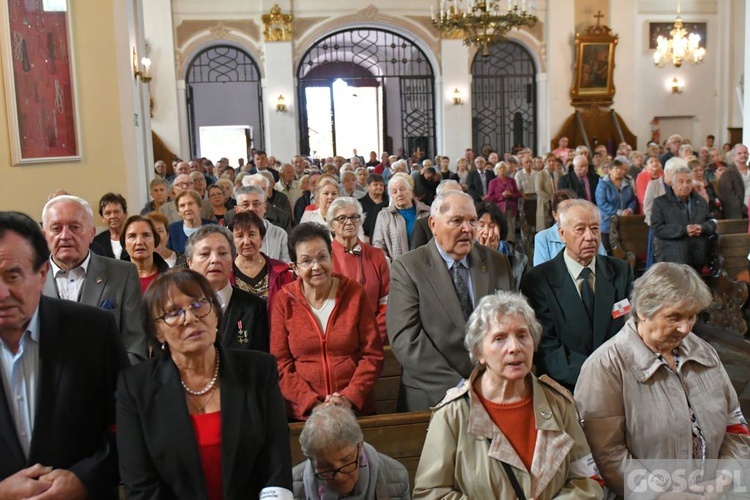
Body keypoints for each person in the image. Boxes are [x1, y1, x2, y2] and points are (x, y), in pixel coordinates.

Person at [575, 263, 750, 498]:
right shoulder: (605, 366)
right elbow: (606, 453)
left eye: (692, 316)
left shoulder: (703, 352)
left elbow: (734, 425)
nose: (685, 328)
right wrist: (661, 495)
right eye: (674, 317)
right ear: (643, 312)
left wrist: (725, 478)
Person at [116, 269, 293, 499]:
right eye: (173, 312)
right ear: (157, 331)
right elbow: (141, 487)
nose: (190, 318)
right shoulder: (135, 388)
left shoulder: (259, 371)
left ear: (215, 315)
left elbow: (276, 465)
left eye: (198, 305)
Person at [413, 291, 603, 499]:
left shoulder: (558, 404)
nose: (515, 348)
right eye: (499, 338)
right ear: (478, 352)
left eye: (522, 335)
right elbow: (430, 493)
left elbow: (587, 481)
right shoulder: (453, 414)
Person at [0, 211, 130, 500]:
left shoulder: (93, 330)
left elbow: (128, 423)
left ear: (42, 273)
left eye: (13, 275)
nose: (1, 292)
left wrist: (84, 479)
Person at [387, 191, 514, 411]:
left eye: (472, 221)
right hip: (432, 395)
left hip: (493, 391)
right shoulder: (408, 268)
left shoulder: (497, 262)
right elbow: (406, 340)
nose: (468, 229)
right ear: (434, 224)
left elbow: (510, 324)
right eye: (457, 221)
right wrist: (457, 388)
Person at [271, 223, 384, 421]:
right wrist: (313, 404)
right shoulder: (284, 300)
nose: (316, 267)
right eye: (306, 261)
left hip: (354, 410)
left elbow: (372, 354)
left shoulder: (354, 293)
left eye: (322, 257)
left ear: (332, 257)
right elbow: (280, 364)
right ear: (295, 268)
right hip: (305, 415)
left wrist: (349, 398)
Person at [520, 199, 633, 390]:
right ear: (562, 234)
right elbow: (547, 347)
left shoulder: (621, 271)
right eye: (580, 230)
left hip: (622, 378)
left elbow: (633, 328)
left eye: (595, 228)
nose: (590, 237)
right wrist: (598, 375)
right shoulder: (538, 281)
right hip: (567, 386)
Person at [42, 195, 148, 364]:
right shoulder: (30, 279)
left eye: (75, 227)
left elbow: (135, 347)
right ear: (45, 235)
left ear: (91, 234)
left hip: (109, 386)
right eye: (56, 228)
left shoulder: (123, 274)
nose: (65, 236)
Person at [293, 405, 410, 500]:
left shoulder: (396, 476)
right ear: (312, 460)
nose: (339, 477)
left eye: (346, 460)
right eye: (325, 466)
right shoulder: (291, 487)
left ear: (360, 446)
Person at [186, 225, 269, 352]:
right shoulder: (181, 309)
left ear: (232, 261)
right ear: (190, 263)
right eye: (205, 254)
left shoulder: (255, 308)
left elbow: (260, 363)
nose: (215, 260)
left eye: (223, 253)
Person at [328, 197, 390, 343]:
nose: (349, 222)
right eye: (342, 218)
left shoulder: (377, 255)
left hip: (375, 338)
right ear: (331, 225)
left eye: (354, 217)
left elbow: (387, 301)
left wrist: (373, 336)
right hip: (337, 340)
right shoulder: (324, 258)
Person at [652, 165, 717, 271]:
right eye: (681, 182)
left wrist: (703, 227)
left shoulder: (700, 201)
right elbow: (657, 228)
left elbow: (711, 221)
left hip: (697, 255)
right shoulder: (661, 203)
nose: (685, 185)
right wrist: (683, 230)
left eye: (688, 181)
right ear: (672, 185)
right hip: (672, 258)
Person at [230, 211, 294, 308]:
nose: (247, 242)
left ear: (261, 238)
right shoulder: (226, 273)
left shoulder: (281, 271)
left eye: (252, 234)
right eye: (239, 236)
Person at [533, 192, 606, 266]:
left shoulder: (592, 234)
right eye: (564, 211)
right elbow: (541, 270)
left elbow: (604, 262)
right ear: (555, 214)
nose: (589, 237)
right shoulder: (543, 237)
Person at [372, 174, 430, 261]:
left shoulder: (427, 212)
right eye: (394, 192)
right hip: (397, 268)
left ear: (411, 190)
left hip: (426, 265)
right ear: (391, 196)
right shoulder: (384, 215)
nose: (399, 194)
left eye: (402, 189)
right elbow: (378, 244)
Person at [226, 185, 290, 262]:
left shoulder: (279, 234)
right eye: (245, 205)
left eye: (256, 204)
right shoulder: (226, 234)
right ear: (237, 210)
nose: (251, 209)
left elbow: (286, 266)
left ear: (265, 208)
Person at [595, 159, 637, 253]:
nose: (619, 171)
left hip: (624, 222)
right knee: (608, 250)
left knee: (625, 249)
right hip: (607, 223)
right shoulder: (603, 184)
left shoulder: (627, 183)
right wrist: (619, 212)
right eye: (616, 168)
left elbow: (633, 200)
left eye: (621, 169)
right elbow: (601, 203)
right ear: (609, 170)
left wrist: (630, 209)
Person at [121, 215, 169, 293]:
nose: (139, 242)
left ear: (155, 241)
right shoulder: (113, 279)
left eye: (146, 235)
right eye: (132, 236)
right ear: (124, 243)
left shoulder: (170, 277)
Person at [410, 179, 463, 250]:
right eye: (448, 196)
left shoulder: (468, 224)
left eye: (458, 195)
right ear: (436, 199)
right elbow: (417, 257)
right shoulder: (422, 225)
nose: (454, 200)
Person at [167, 190, 218, 255]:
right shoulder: (172, 230)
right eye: (182, 206)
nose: (187, 208)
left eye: (190, 204)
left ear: (199, 207)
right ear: (178, 212)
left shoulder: (213, 227)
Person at [486, 162, 520, 243]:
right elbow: (490, 197)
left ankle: (510, 246)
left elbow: (517, 194)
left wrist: (511, 195)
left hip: (511, 208)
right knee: (500, 226)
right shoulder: (493, 182)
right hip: (499, 208)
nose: (502, 170)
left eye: (504, 168)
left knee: (511, 228)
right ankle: (499, 244)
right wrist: (502, 195)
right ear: (496, 170)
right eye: (500, 168)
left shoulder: (512, 181)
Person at [717, 143, 749, 219]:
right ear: (733, 156)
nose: (743, 155)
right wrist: (746, 210)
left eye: (745, 153)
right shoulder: (727, 174)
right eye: (739, 153)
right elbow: (729, 198)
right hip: (738, 214)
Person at [93, 192, 128, 259]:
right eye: (108, 213)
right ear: (103, 218)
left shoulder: (135, 238)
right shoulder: (97, 242)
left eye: (116, 212)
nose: (113, 216)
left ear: (125, 214)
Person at [359, 173, 389, 242]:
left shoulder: (389, 203)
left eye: (381, 185)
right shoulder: (359, 204)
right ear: (368, 187)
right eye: (375, 184)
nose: (379, 187)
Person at [534, 153, 557, 230]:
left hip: (557, 202)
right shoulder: (541, 174)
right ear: (545, 163)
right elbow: (538, 190)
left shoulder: (558, 173)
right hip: (545, 203)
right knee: (545, 226)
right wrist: (550, 198)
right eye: (549, 161)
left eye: (553, 161)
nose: (551, 163)